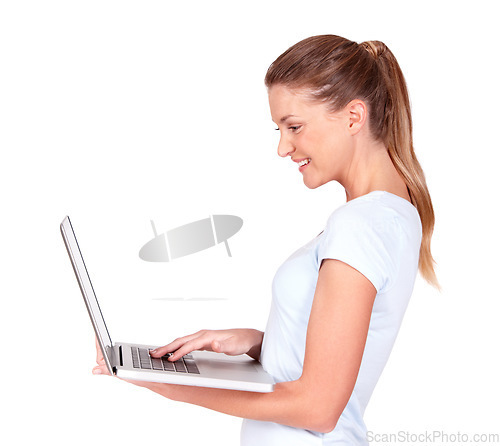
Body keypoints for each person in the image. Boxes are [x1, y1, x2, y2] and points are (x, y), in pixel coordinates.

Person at [93, 34, 438, 445]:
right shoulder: (392, 214)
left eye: (294, 127)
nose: (282, 147)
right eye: (278, 129)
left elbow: (318, 408)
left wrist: (169, 386)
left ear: (353, 117)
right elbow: (337, 361)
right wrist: (259, 343)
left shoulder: (361, 225)